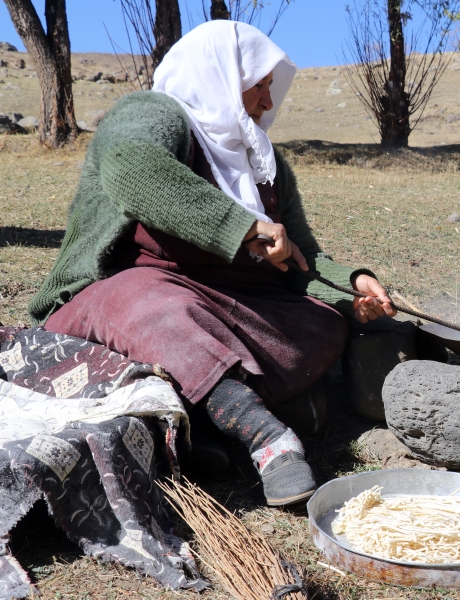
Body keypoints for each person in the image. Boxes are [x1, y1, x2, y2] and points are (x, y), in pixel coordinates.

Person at [28, 21, 396, 506]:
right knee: (155, 306)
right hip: (125, 299)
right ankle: (267, 437)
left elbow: (304, 256)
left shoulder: (264, 162)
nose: (268, 102)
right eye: (257, 86)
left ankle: (197, 423)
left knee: (323, 324)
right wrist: (245, 227)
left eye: (270, 88)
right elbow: (130, 166)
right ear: (218, 76)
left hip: (232, 305)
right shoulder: (154, 114)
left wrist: (351, 287)